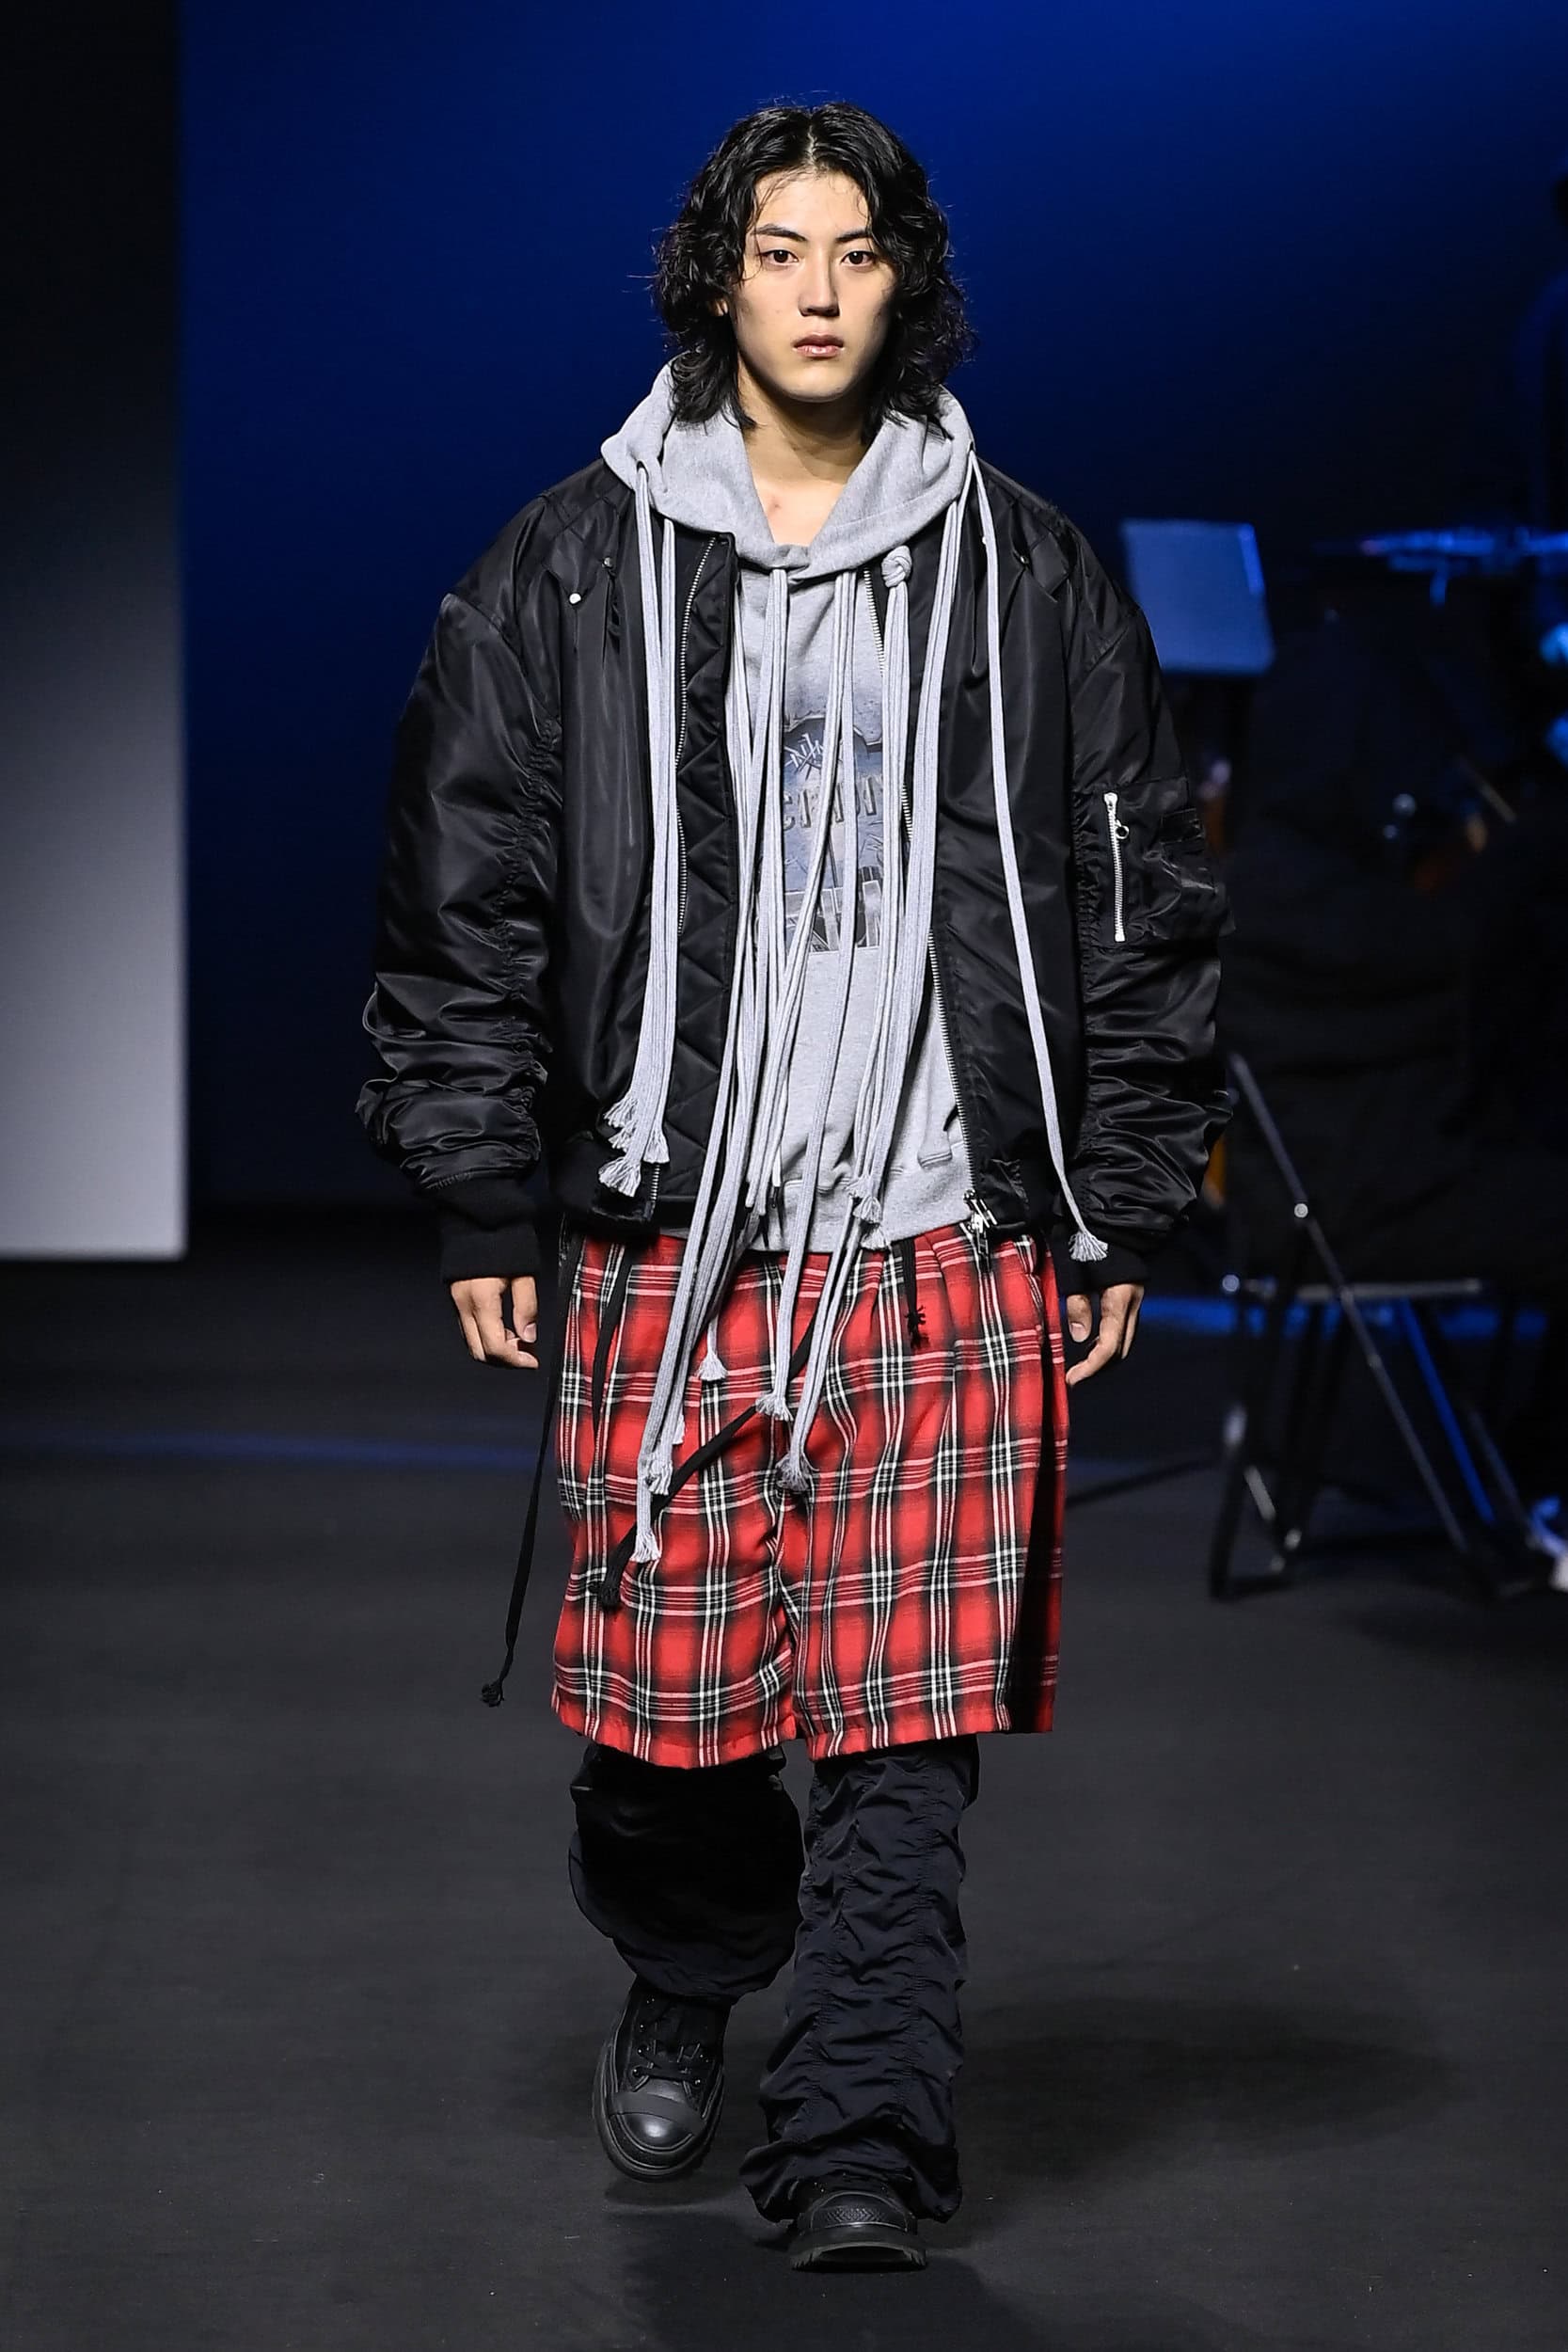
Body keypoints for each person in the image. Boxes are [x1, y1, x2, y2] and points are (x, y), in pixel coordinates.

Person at [356, 101, 1227, 2272]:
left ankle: (863, 2137)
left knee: (904, 1729)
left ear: (902, 279)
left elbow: (1139, 893)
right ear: (717, 280)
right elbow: (467, 884)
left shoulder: (1023, 569)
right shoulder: (573, 561)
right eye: (779, 249)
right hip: (678, 1222)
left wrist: (1116, 1194)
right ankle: (687, 1957)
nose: (819, 289)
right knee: (673, 1726)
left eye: (855, 250)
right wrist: (479, 1187)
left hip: (943, 1218)